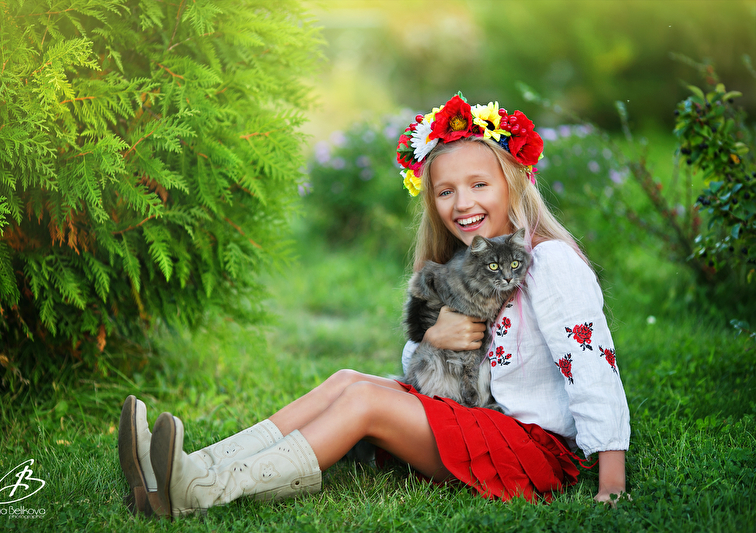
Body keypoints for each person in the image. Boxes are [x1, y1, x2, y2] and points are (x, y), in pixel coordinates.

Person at [117, 93, 630, 519]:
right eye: (445, 191)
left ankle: (201, 492)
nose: (462, 203)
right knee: (347, 380)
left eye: (479, 185)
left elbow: (592, 367)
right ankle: (186, 468)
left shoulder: (548, 262)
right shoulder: (461, 264)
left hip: (531, 450)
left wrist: (611, 480)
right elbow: (419, 370)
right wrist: (434, 336)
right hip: (478, 420)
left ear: (514, 182)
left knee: (366, 401)